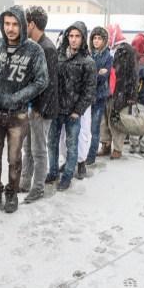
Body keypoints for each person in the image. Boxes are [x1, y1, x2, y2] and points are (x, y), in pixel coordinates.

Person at [0, 5, 48, 213]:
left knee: (14, 158)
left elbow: (41, 80)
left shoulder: (34, 50)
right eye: (6, 24)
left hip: (18, 114)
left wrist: (17, 97)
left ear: (22, 25)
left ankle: (11, 193)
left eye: (15, 24)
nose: (10, 28)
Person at [46, 21, 96, 190]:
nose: (74, 40)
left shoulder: (88, 62)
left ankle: (67, 176)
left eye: (77, 36)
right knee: (52, 142)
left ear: (83, 38)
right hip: (56, 109)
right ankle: (52, 171)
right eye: (71, 36)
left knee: (72, 145)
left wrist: (78, 110)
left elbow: (89, 91)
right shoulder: (58, 56)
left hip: (73, 112)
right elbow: (51, 83)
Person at [19, 6, 58, 203]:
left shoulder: (47, 48)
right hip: (32, 107)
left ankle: (38, 187)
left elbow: (48, 84)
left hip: (41, 110)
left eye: (24, 22)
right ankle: (25, 182)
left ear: (32, 24)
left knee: (39, 150)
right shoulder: (34, 45)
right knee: (29, 147)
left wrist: (39, 110)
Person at [98, 42, 138, 159]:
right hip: (108, 94)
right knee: (104, 122)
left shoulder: (130, 63)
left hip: (121, 97)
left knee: (117, 124)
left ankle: (117, 149)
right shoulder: (109, 59)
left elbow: (133, 82)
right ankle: (106, 145)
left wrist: (130, 98)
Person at [86, 26, 112, 165]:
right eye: (94, 38)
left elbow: (104, 77)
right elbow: (84, 75)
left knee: (95, 127)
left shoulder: (108, 56)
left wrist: (92, 74)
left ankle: (91, 156)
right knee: (84, 129)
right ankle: (83, 154)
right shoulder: (88, 54)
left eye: (99, 38)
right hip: (86, 96)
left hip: (99, 96)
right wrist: (97, 72)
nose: (96, 41)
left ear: (104, 40)